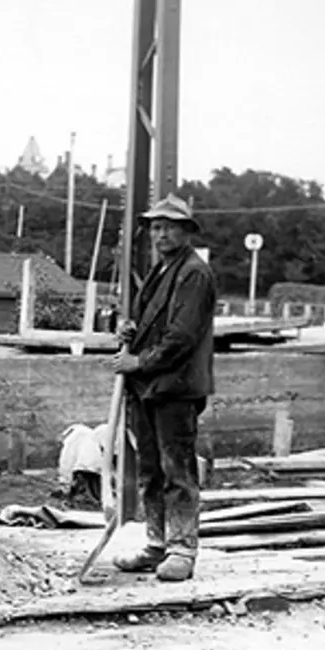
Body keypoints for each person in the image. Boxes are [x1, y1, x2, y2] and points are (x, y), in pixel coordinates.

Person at [108, 193, 217, 582]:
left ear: (187, 231)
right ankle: (157, 544)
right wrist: (127, 329)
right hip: (149, 388)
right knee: (151, 471)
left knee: (177, 470)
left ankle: (183, 550)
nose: (161, 234)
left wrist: (138, 361)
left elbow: (181, 338)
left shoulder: (194, 273)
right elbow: (148, 322)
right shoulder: (160, 270)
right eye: (156, 227)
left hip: (176, 387)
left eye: (170, 226)